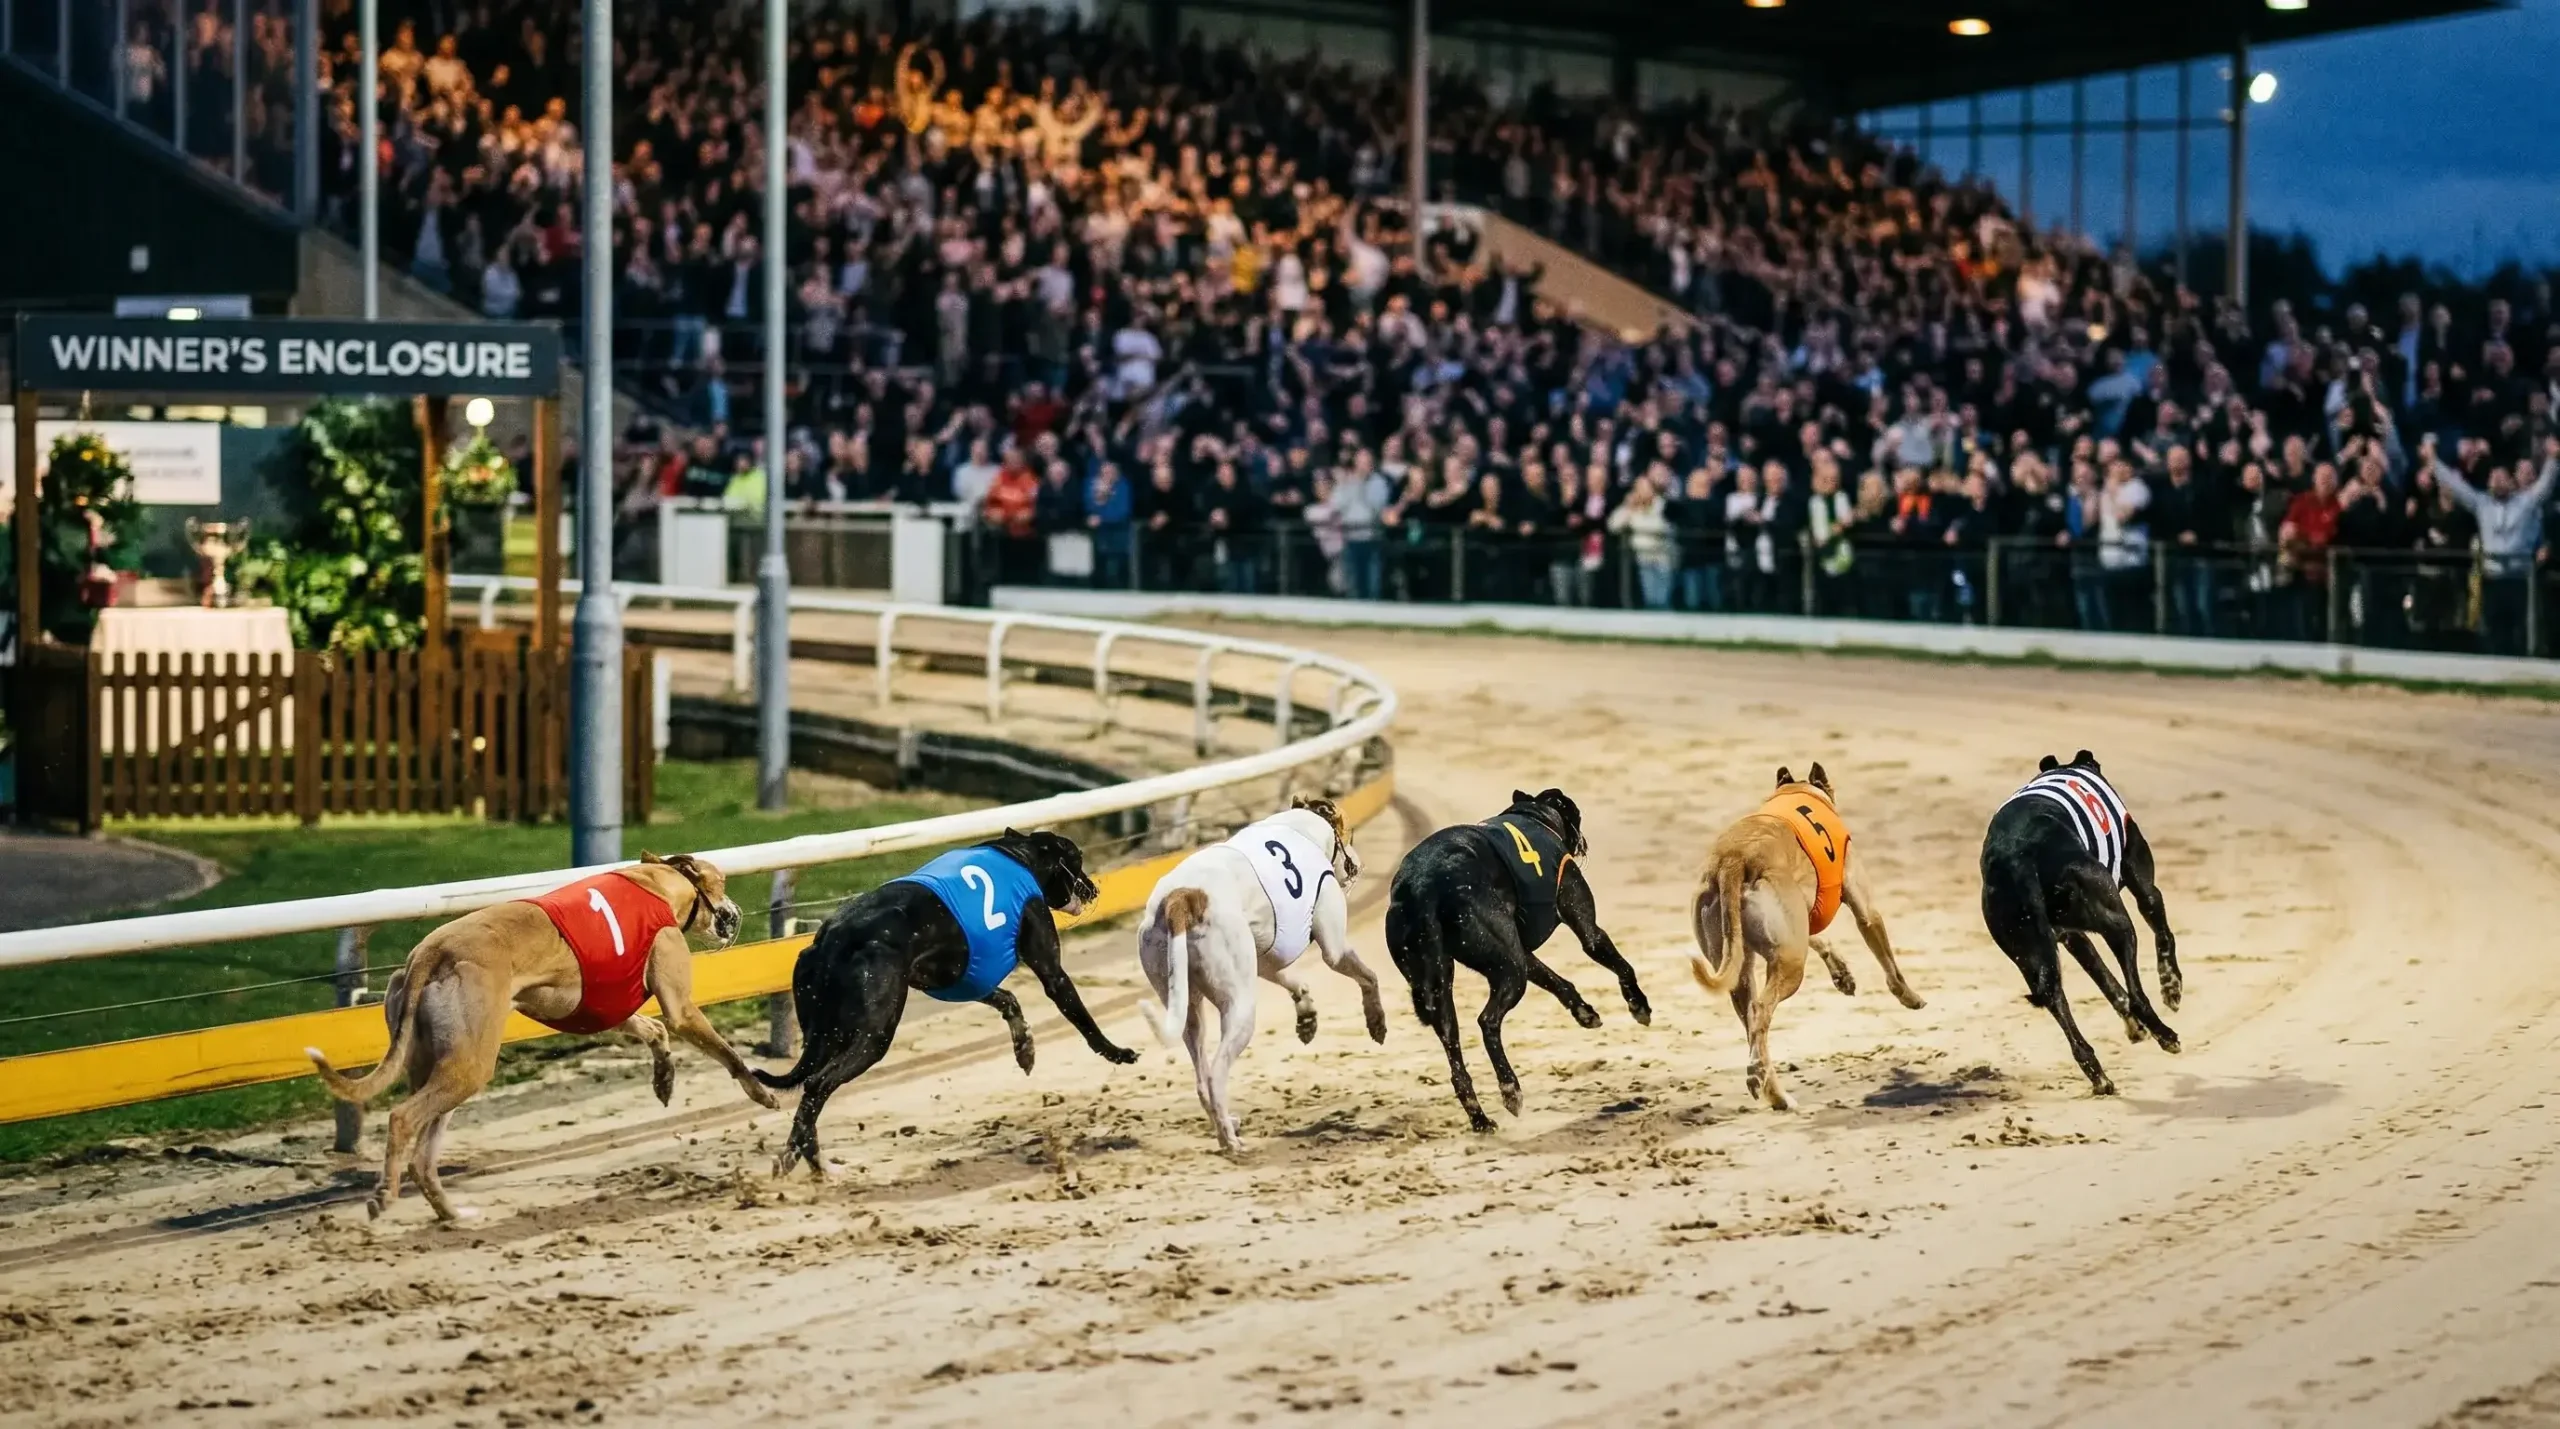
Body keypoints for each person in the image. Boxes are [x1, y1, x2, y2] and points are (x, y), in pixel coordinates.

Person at [2427, 436, 2558, 655]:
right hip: (2492, 579)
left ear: (2511, 482)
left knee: (2520, 632)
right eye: (2493, 478)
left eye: (2502, 478)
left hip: (2519, 580)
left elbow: (2545, 486)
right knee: (2494, 634)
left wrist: (2553, 459)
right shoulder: (2481, 504)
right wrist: (2433, 460)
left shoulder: (2524, 502)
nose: (2497, 481)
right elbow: (2456, 486)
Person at [1607, 474, 1676, 610]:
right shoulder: (1632, 508)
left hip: (1663, 557)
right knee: (1650, 598)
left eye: (1646, 487)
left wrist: (1644, 515)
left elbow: (1661, 527)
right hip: (1643, 558)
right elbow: (1613, 526)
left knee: (1662, 598)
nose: (1643, 491)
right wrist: (1628, 507)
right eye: (1639, 488)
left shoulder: (1662, 505)